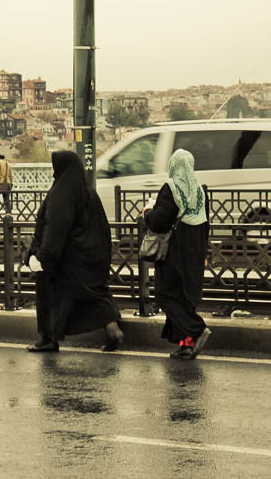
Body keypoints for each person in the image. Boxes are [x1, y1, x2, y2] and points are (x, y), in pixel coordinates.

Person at [27, 150, 123, 353]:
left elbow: (55, 228)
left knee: (51, 296)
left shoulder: (61, 194)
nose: (52, 172)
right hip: (89, 259)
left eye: (54, 167)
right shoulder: (88, 191)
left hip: (65, 260)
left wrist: (44, 257)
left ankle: (48, 338)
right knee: (93, 295)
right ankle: (112, 329)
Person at [143, 149, 211, 360]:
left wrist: (147, 212)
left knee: (165, 295)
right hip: (195, 252)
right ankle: (186, 345)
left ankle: (197, 329)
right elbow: (206, 225)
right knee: (185, 298)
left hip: (175, 252)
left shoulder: (170, 188)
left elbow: (159, 221)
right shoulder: (200, 191)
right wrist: (205, 252)